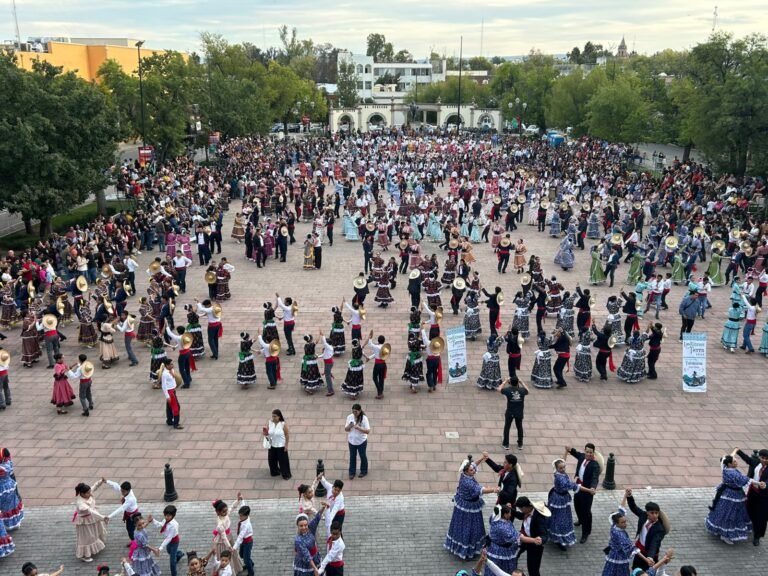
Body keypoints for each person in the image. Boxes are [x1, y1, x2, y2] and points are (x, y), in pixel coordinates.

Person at [444, 454, 498, 559]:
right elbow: (481, 490)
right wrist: (494, 489)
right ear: (466, 471)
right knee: (469, 526)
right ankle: (466, 549)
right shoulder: (468, 482)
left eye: (473, 469)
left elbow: (473, 464)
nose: (473, 470)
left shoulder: (465, 474)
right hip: (469, 508)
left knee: (464, 525)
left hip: (465, 504)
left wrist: (482, 459)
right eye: (471, 470)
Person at [706, 450, 765, 544]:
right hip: (733, 495)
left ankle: (720, 529)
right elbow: (745, 479)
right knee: (730, 515)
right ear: (729, 464)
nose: (736, 462)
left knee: (723, 512)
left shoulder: (725, 467)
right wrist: (758, 483)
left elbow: (726, 458)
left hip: (727, 493)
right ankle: (725, 535)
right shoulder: (733, 473)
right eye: (734, 461)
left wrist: (734, 452)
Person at [547, 458, 596, 551]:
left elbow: (561, 460)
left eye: (564, 467)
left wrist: (566, 453)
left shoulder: (558, 473)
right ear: (557, 468)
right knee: (559, 520)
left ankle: (557, 537)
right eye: (561, 468)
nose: (563, 469)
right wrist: (589, 490)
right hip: (559, 499)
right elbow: (574, 486)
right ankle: (559, 540)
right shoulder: (560, 478)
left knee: (559, 518)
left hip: (561, 498)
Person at [601, 504, 653, 576]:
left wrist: (626, 495)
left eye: (625, 521)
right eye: (622, 523)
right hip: (619, 557)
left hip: (612, 553)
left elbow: (621, 510)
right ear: (617, 523)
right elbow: (632, 549)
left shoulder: (614, 526)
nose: (625, 524)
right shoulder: (620, 535)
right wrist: (646, 559)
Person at [625, 488, 669, 569]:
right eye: (652, 513)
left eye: (656, 513)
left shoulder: (659, 529)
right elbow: (634, 507)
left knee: (648, 572)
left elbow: (654, 543)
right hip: (639, 551)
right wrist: (629, 496)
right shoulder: (643, 515)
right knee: (635, 569)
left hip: (649, 555)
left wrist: (650, 557)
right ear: (647, 512)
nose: (655, 515)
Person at [566, 443, 601, 543]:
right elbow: (576, 453)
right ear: (585, 451)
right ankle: (580, 520)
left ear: (593, 453)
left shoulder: (595, 465)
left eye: (591, 452)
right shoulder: (582, 456)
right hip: (578, 487)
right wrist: (570, 449)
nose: (588, 454)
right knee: (577, 505)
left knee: (586, 512)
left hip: (587, 490)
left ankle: (586, 532)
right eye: (587, 452)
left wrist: (593, 488)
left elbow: (595, 478)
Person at [735, 447, 768, 546]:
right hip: (753, 491)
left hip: (764, 496)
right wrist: (738, 451)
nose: (765, 460)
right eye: (763, 458)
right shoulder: (755, 463)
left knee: (761, 516)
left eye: (767, 458)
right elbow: (747, 459)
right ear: (759, 458)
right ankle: (749, 526)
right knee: (749, 509)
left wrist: (765, 484)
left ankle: (757, 536)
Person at [73, 480, 108, 562]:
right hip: (85, 521)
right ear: (82, 493)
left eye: (89, 492)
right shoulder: (80, 503)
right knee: (87, 538)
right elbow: (90, 511)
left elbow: (94, 487)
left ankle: (99, 543)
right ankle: (85, 555)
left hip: (92, 518)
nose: (90, 493)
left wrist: (100, 481)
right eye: (88, 493)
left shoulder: (87, 494)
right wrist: (102, 517)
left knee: (97, 531)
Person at [513, 497, 548, 576]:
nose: (520, 511)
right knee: (513, 556)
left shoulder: (539, 518)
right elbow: (520, 515)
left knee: (533, 570)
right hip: (524, 540)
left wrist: (541, 539)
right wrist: (510, 510)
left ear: (525, 508)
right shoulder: (527, 512)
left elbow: (545, 535)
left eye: (520, 509)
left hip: (534, 545)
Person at [148, 505, 184, 576]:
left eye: (168, 516)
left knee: (172, 561)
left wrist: (160, 548)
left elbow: (169, 538)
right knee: (169, 551)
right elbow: (160, 525)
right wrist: (153, 520)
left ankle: (174, 574)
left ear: (173, 516)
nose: (166, 517)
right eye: (165, 515)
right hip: (169, 541)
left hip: (174, 542)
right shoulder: (165, 520)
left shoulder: (174, 525)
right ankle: (179, 554)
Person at [211, 496, 243, 575]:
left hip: (229, 536)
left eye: (226, 510)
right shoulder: (220, 524)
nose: (226, 512)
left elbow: (232, 508)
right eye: (224, 512)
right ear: (218, 512)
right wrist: (229, 547)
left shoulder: (225, 514)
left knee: (233, 553)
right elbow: (224, 537)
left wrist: (237, 500)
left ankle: (236, 567)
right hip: (223, 542)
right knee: (228, 555)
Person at [103, 478, 141, 545]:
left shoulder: (130, 499)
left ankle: (134, 541)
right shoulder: (126, 491)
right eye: (122, 490)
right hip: (129, 514)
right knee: (130, 528)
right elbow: (116, 485)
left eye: (123, 491)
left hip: (133, 515)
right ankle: (134, 540)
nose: (122, 492)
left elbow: (121, 509)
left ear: (128, 490)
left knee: (130, 529)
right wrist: (107, 481)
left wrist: (109, 516)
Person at [497, 377, 528, 451]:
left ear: (510, 383)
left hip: (510, 412)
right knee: (519, 428)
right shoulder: (522, 390)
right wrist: (522, 382)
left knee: (507, 427)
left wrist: (504, 381)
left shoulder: (508, 390)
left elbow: (499, 389)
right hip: (519, 412)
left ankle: (506, 444)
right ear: (517, 382)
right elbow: (528, 390)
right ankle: (520, 444)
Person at [293, 511, 323, 576]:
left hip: (315, 558)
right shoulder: (298, 540)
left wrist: (322, 508)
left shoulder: (310, 528)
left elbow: (316, 519)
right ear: (297, 526)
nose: (304, 527)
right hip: (306, 563)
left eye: (305, 525)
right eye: (301, 526)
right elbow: (307, 556)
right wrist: (315, 569)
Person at [0, 448, 23, 531]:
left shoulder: (2, 468)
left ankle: (6, 525)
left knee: (4, 506)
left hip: (2, 489)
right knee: (11, 505)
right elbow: (11, 474)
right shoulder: (8, 463)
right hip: (10, 486)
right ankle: (15, 523)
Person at [264, 409, 291, 480]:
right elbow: (267, 432)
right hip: (272, 445)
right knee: (272, 459)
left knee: (283, 461)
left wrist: (286, 445)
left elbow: (287, 435)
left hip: (281, 445)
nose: (273, 418)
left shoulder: (283, 424)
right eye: (272, 416)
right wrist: (265, 432)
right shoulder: (270, 423)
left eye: (275, 416)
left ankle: (286, 474)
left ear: (279, 417)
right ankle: (275, 471)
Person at [345, 404, 370, 480]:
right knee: (352, 457)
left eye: (356, 412)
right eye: (353, 412)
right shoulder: (349, 417)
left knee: (362, 456)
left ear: (359, 411)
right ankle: (352, 472)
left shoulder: (364, 419)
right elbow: (346, 429)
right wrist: (350, 426)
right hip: (351, 441)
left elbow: (367, 431)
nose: (354, 413)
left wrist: (359, 428)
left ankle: (364, 471)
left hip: (361, 441)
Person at [160, 358, 182, 430]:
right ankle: (176, 423)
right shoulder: (165, 374)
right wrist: (167, 396)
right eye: (171, 364)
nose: (172, 365)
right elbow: (164, 386)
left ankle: (169, 420)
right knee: (176, 407)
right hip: (170, 392)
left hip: (173, 390)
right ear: (167, 365)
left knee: (169, 407)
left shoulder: (171, 370)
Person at [366, 332, 388, 399]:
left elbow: (370, 344)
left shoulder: (376, 347)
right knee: (381, 379)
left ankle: (380, 391)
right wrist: (369, 358)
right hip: (383, 364)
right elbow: (376, 354)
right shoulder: (385, 348)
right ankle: (380, 392)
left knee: (374, 378)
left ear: (378, 340)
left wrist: (370, 337)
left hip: (377, 365)